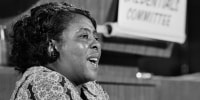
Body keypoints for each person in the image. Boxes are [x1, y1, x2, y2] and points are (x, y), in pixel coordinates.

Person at [10, 2, 109, 100]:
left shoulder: (91, 89)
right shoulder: (44, 82)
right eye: (84, 36)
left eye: (96, 38)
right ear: (51, 46)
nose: (96, 44)